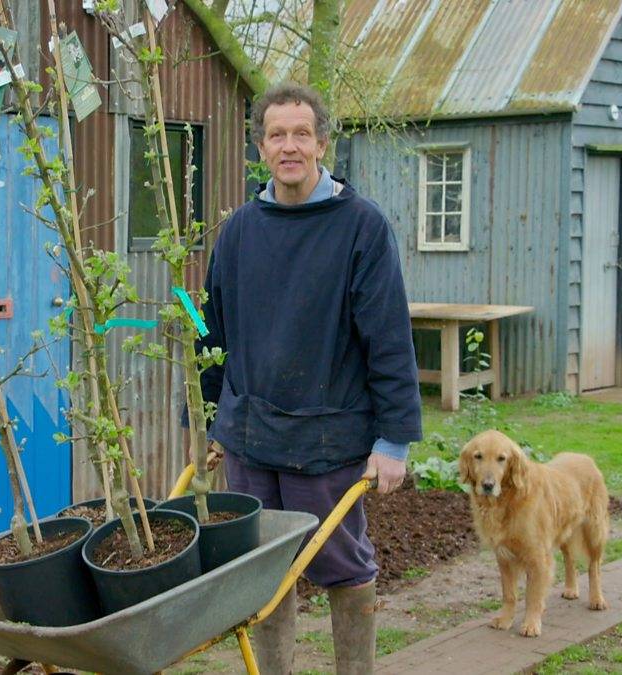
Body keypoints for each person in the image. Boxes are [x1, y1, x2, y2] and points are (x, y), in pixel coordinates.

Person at [191, 83, 422, 674]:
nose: (289, 146)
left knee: (344, 568)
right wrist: (213, 418)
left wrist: (393, 442)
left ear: (322, 143)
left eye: (301, 134)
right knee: (263, 568)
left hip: (328, 439)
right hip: (250, 437)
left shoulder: (361, 228)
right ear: (261, 148)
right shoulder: (239, 230)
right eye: (276, 135)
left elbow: (389, 339)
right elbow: (211, 331)